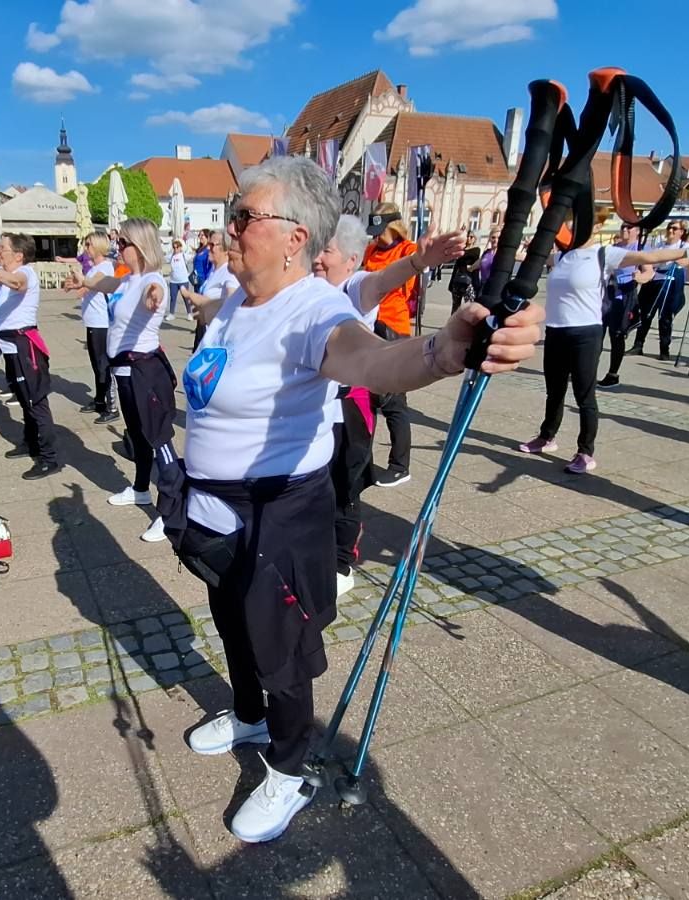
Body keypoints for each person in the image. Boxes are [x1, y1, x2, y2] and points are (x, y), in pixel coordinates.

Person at [168, 156, 543, 842]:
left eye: (245, 215)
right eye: (232, 212)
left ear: (295, 237)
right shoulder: (233, 302)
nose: (230, 227)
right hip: (216, 517)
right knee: (232, 624)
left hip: (276, 519)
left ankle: (288, 770)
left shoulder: (313, 307)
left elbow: (368, 359)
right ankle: (248, 714)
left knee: (281, 649)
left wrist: (441, 351)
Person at [314, 215, 469, 596]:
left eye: (327, 251)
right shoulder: (307, 290)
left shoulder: (354, 287)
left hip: (349, 406)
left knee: (345, 488)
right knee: (316, 485)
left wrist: (418, 261)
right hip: (313, 408)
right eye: (317, 249)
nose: (318, 258)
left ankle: (341, 564)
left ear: (351, 259)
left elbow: (382, 282)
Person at [518, 217, 688, 474]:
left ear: (595, 227)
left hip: (585, 333)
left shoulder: (603, 254)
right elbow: (527, 257)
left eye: (577, 225)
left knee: (584, 395)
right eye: (569, 226)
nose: (572, 230)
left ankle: (585, 452)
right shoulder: (562, 257)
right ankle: (546, 437)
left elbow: (651, 257)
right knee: (554, 391)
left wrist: (687, 250)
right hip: (556, 331)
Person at [65, 218, 173, 540]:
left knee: (161, 442)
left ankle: (171, 513)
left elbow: (155, 295)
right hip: (125, 371)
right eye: (117, 242)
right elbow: (104, 283)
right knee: (138, 437)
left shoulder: (152, 281)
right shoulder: (127, 280)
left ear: (140, 247)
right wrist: (82, 280)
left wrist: (154, 297)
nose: (117, 248)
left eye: (122, 243)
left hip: (146, 373)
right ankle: (141, 488)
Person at [0, 233, 61, 479]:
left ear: (18, 255)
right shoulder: (3, 278)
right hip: (10, 345)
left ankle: (49, 458)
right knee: (24, 400)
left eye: (3, 248)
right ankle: (31, 442)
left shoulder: (27, 273)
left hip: (26, 345)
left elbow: (18, 284)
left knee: (36, 402)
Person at [362, 202, 419, 488]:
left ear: (393, 227)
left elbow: (410, 279)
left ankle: (400, 465)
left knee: (394, 401)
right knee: (369, 396)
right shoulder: (371, 250)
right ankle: (363, 459)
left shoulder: (408, 250)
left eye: (379, 231)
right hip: (369, 326)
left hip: (394, 328)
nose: (374, 238)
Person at [598, 222, 653, 386]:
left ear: (637, 231)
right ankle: (587, 369)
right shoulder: (612, 248)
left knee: (617, 336)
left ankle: (613, 374)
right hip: (606, 294)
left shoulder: (640, 248)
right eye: (622, 227)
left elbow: (649, 271)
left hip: (625, 294)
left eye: (629, 227)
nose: (624, 230)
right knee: (596, 334)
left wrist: (640, 278)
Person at [631, 220, 689, 360]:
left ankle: (664, 349)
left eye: (675, 228)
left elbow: (685, 261)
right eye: (669, 228)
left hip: (670, 282)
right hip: (654, 280)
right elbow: (651, 262)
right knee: (646, 314)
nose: (671, 231)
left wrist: (678, 259)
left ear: (681, 232)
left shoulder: (684, 246)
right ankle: (638, 345)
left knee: (664, 317)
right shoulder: (659, 245)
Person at [77, 232, 117, 422]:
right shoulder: (93, 267)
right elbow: (86, 287)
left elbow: (97, 282)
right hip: (93, 322)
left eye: (89, 245)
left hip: (102, 323)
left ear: (99, 246)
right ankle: (99, 399)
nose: (86, 248)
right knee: (96, 365)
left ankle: (112, 407)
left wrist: (82, 282)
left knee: (103, 366)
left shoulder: (105, 267)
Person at [181, 229, 238, 351]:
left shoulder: (229, 272)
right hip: (208, 333)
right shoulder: (213, 270)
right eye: (208, 244)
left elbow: (232, 301)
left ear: (226, 249)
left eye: (212, 245)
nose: (208, 248)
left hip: (219, 341)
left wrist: (205, 303)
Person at [445, 232, 481, 313]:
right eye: (467, 236)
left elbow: (474, 256)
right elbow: (456, 267)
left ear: (474, 239)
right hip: (458, 281)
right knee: (455, 306)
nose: (469, 238)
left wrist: (461, 253)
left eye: (471, 237)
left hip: (469, 282)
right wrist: (451, 283)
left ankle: (466, 324)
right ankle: (453, 324)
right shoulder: (461, 250)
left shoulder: (476, 250)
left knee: (469, 305)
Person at [168, 238, 193, 319]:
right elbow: (162, 258)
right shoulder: (171, 256)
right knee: (173, 298)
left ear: (180, 247)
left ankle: (189, 313)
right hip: (173, 281)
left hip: (183, 280)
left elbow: (193, 257)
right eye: (174, 248)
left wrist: (193, 250)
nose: (175, 249)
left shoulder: (183, 255)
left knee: (186, 297)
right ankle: (171, 314)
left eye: (177, 247)